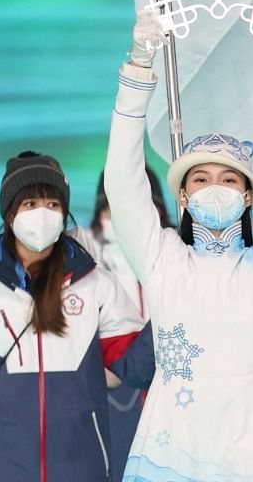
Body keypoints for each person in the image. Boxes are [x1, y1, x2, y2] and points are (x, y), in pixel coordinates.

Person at [103, 5, 253, 481]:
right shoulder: (163, 259)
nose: (215, 187)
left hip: (252, 447)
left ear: (249, 195)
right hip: (170, 447)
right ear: (182, 196)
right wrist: (138, 70)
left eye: (229, 179)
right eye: (200, 179)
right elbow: (122, 182)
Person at [0, 151, 146, 482]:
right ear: (10, 213)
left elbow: (133, 366)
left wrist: (175, 309)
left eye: (53, 205)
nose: (42, 215)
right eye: (30, 204)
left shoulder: (97, 286)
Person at [84, 168, 173, 479]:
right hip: (112, 401)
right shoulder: (80, 264)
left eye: (146, 206)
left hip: (177, 402)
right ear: (101, 213)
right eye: (114, 207)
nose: (129, 218)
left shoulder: (182, 257)